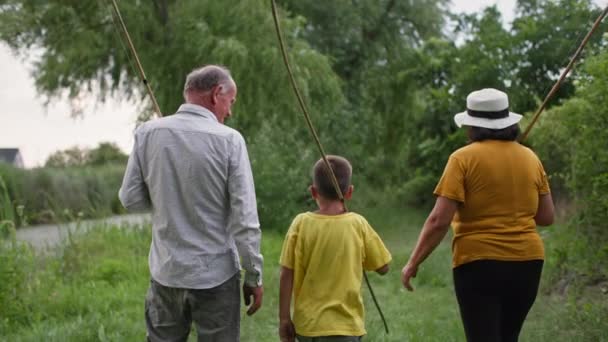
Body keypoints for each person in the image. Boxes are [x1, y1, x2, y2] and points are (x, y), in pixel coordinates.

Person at [118, 65, 264, 341]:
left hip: (166, 273)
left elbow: (129, 199)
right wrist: (254, 276)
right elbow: (244, 219)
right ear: (216, 93)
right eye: (230, 102)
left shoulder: (147, 133)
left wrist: (165, 194)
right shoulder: (230, 141)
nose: (230, 112)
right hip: (216, 276)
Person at [401, 88, 555, 342]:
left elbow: (439, 220)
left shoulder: (462, 159)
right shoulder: (530, 157)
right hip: (528, 263)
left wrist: (413, 263)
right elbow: (546, 216)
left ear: (472, 125)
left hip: (479, 264)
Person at [278, 155, 392, 342]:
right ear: (349, 192)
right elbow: (384, 267)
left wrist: (284, 319)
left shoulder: (300, 224)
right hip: (346, 327)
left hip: (308, 327)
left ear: (313, 192)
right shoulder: (358, 223)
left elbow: (286, 273)